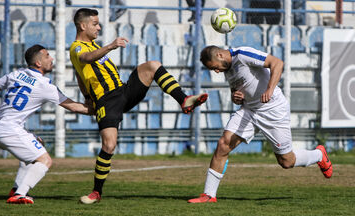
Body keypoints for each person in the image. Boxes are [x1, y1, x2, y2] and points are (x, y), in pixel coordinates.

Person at [70, 8, 208, 204]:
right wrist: (110, 46)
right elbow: (84, 61)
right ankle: (96, 192)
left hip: (123, 90)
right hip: (106, 101)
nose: (99, 27)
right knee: (109, 146)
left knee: (152, 65)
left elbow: (80, 74)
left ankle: (184, 100)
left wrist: (85, 94)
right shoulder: (77, 47)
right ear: (82, 25)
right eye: (95, 24)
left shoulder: (93, 45)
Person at [187, 45, 332, 203]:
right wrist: (235, 97)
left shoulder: (243, 54)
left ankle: (319, 155)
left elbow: (277, 63)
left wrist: (270, 89)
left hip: (272, 110)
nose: (216, 71)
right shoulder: (226, 69)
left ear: (220, 55)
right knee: (223, 144)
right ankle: (209, 195)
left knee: (286, 161)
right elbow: (237, 92)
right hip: (249, 110)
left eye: (215, 67)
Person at [0, 44, 93, 204]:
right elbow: (74, 107)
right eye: (47, 56)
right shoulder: (45, 86)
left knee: (33, 152)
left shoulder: (15, 74)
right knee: (45, 160)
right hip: (9, 130)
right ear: (38, 63)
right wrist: (103, 110)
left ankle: (16, 189)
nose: (52, 58)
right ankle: (20, 194)